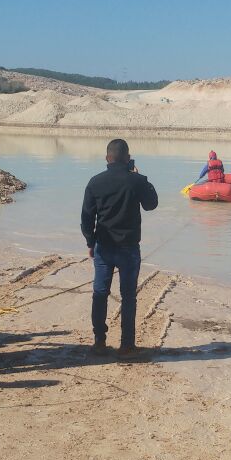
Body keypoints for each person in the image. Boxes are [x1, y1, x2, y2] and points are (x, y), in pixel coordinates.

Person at [80, 139, 158, 358]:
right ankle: (126, 345)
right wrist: (141, 178)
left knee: (100, 293)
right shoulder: (137, 180)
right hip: (129, 248)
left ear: (107, 158)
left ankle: (99, 342)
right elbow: (151, 204)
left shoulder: (95, 182)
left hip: (103, 247)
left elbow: (87, 217)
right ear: (127, 158)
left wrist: (89, 242)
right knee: (128, 296)